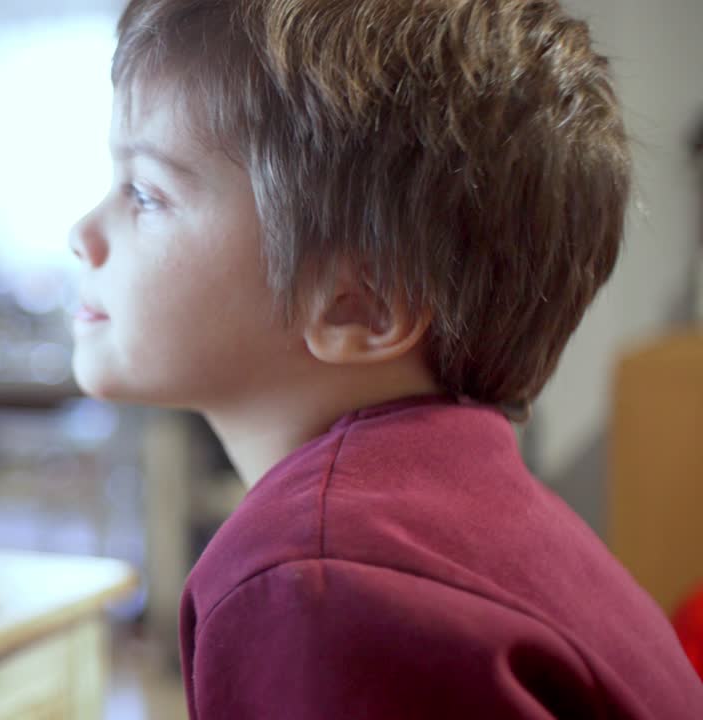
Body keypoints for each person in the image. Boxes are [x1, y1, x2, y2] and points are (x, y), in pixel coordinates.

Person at [67, 0, 703, 717]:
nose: (81, 233)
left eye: (146, 194)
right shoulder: (461, 522)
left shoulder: (321, 580)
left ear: (357, 304)